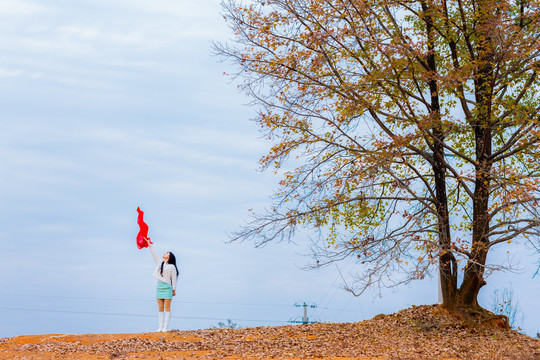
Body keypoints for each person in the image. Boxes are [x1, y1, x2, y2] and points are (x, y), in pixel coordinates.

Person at [143, 237, 178, 332]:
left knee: (167, 308)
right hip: (159, 287)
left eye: (167, 253)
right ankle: (160, 327)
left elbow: (174, 279)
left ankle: (165, 327)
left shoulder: (172, 267)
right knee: (160, 308)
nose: (165, 253)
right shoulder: (160, 263)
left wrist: (174, 290)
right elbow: (154, 255)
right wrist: (149, 245)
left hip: (167, 288)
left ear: (169, 257)